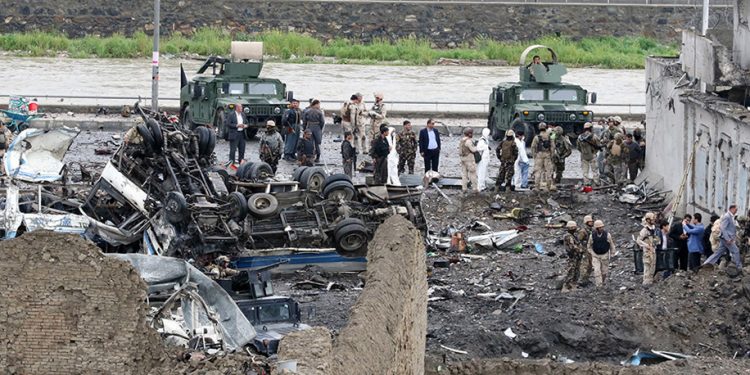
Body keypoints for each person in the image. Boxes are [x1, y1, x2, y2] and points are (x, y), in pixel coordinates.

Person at [704, 205, 743, 270]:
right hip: (727, 239)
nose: (736, 211)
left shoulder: (730, 216)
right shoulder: (727, 216)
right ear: (732, 209)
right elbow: (723, 228)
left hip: (726, 238)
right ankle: (739, 267)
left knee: (718, 253)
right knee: (736, 251)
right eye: (736, 209)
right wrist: (727, 239)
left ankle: (706, 263)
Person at [587, 220, 616, 287]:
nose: (601, 229)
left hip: (604, 255)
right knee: (597, 271)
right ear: (596, 228)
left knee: (604, 272)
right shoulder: (592, 236)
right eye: (600, 227)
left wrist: (612, 253)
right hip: (595, 255)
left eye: (602, 227)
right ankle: (599, 285)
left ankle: (602, 282)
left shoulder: (607, 235)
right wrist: (592, 253)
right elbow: (589, 246)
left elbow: (611, 244)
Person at [530, 122, 556, 191]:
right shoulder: (549, 136)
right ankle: (548, 187)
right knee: (548, 171)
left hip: (539, 155)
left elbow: (533, 147)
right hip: (547, 155)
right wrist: (552, 155)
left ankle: (537, 187)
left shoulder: (536, 137)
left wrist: (534, 156)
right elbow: (553, 147)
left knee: (538, 171)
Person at [636, 212, 659, 285]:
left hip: (653, 250)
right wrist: (646, 245)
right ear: (648, 220)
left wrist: (656, 242)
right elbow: (638, 240)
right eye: (653, 219)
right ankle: (646, 282)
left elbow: (656, 239)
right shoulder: (644, 230)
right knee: (647, 267)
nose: (654, 221)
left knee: (653, 267)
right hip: (647, 252)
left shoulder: (654, 229)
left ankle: (651, 282)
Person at [562, 221, 585, 292]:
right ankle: (565, 286)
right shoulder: (568, 236)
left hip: (576, 256)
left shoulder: (573, 236)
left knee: (576, 271)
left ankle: (573, 285)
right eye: (573, 228)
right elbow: (572, 247)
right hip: (572, 256)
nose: (574, 229)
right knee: (570, 271)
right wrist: (580, 249)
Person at [578, 122, 601, 186]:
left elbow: (578, 147)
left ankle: (586, 183)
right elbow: (598, 145)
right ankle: (596, 183)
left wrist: (583, 152)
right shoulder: (594, 136)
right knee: (595, 170)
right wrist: (594, 152)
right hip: (592, 155)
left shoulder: (580, 137)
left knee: (585, 171)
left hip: (583, 155)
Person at [458, 127, 479, 192]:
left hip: (463, 159)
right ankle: (475, 188)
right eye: (471, 133)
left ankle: (464, 188)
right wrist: (477, 147)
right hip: (469, 159)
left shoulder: (462, 140)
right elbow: (473, 150)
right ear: (469, 134)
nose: (472, 134)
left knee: (464, 174)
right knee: (473, 174)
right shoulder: (468, 141)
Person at [578, 215, 595, 286]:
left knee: (590, 265)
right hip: (585, 250)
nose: (591, 223)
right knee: (585, 265)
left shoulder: (592, 230)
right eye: (590, 222)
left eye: (592, 222)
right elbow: (579, 240)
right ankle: (582, 280)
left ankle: (586, 279)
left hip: (591, 250)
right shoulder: (583, 231)